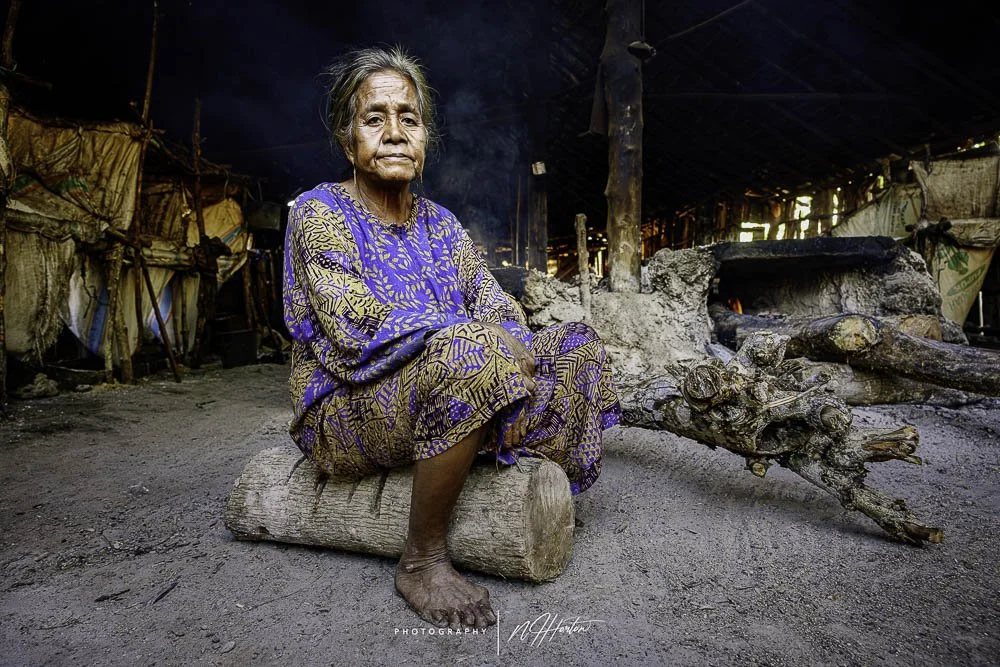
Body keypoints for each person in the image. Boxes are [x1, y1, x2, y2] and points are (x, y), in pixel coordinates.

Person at [282, 45, 620, 631]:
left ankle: (485, 448)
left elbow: (495, 302)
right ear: (347, 140)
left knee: (576, 344)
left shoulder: (442, 224)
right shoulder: (320, 212)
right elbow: (350, 323)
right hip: (344, 405)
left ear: (424, 139)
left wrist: (506, 351)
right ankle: (422, 558)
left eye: (408, 119)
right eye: (374, 118)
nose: (393, 133)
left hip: (450, 379)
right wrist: (481, 345)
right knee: (474, 353)